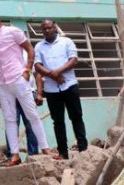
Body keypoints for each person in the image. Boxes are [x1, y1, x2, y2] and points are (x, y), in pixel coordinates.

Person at [0, 10, 50, 165]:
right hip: (2, 84)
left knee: (31, 115)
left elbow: (30, 49)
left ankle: (45, 148)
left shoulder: (13, 31)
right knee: (10, 120)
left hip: (18, 79)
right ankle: (14, 154)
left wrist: (27, 70)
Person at [34, 19, 87, 159]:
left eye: (49, 28)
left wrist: (57, 72)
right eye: (44, 28)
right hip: (51, 90)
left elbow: (73, 60)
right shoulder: (39, 46)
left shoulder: (67, 42)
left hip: (69, 85)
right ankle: (63, 153)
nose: (47, 30)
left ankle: (84, 149)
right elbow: (37, 66)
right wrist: (53, 75)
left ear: (55, 28)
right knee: (58, 122)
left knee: (76, 117)